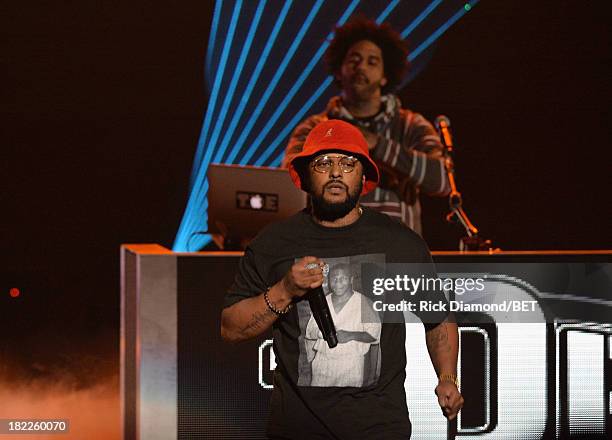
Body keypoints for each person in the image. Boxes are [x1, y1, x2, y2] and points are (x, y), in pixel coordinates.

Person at [222, 120, 463, 439]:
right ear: (306, 175)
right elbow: (230, 329)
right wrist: (285, 290)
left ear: (363, 176)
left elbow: (438, 319)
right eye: (323, 163)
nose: (336, 172)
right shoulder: (273, 244)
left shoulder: (400, 243)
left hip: (379, 430)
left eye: (348, 163)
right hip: (297, 430)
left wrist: (447, 377)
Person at [283, 17, 449, 236]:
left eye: (372, 62)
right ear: (339, 69)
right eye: (354, 59)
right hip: (331, 255)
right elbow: (288, 186)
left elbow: (443, 181)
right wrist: (390, 172)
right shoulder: (314, 128)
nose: (361, 67)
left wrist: (376, 144)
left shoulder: (411, 125)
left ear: (384, 76)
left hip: (396, 259)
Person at [304, 262, 381, 387]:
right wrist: (323, 332)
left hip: (350, 367)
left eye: (343, 278)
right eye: (334, 279)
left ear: (351, 280)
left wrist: (351, 335)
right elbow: (310, 332)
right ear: (329, 281)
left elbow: (374, 335)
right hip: (323, 366)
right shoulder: (322, 302)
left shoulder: (364, 303)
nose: (338, 282)